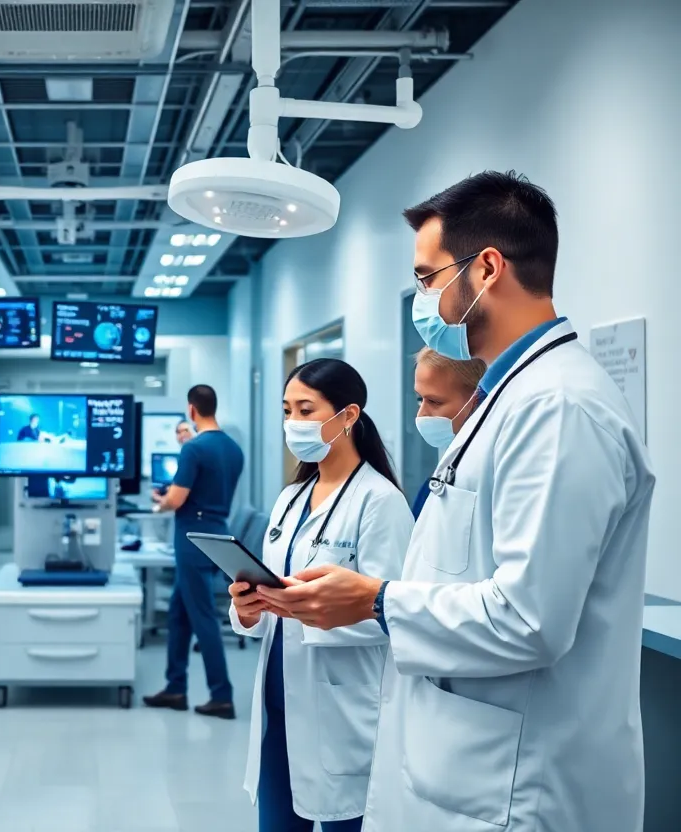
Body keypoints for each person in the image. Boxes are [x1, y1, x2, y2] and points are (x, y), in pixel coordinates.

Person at [263, 172, 655, 832]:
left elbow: (531, 619)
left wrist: (376, 600)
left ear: (488, 268)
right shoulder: (509, 400)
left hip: (521, 785)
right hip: (471, 767)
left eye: (426, 277)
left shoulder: (558, 407)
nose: (422, 298)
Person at [229, 359, 412, 832]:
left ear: (348, 416)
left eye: (306, 409)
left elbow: (394, 611)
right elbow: (270, 590)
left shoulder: (380, 502)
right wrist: (248, 609)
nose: (294, 423)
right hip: (278, 700)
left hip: (341, 706)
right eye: (288, 410)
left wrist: (313, 610)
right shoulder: (290, 498)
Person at [143, 384, 244, 719]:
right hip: (217, 535)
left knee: (202, 618)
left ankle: (222, 695)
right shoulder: (233, 448)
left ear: (191, 411)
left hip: (193, 539)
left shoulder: (193, 449)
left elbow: (175, 500)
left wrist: (159, 505)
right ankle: (175, 688)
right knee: (178, 613)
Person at [409, 348, 485, 518]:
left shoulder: (489, 472)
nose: (421, 414)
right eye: (420, 399)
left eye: (434, 401)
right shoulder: (437, 479)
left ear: (477, 400)